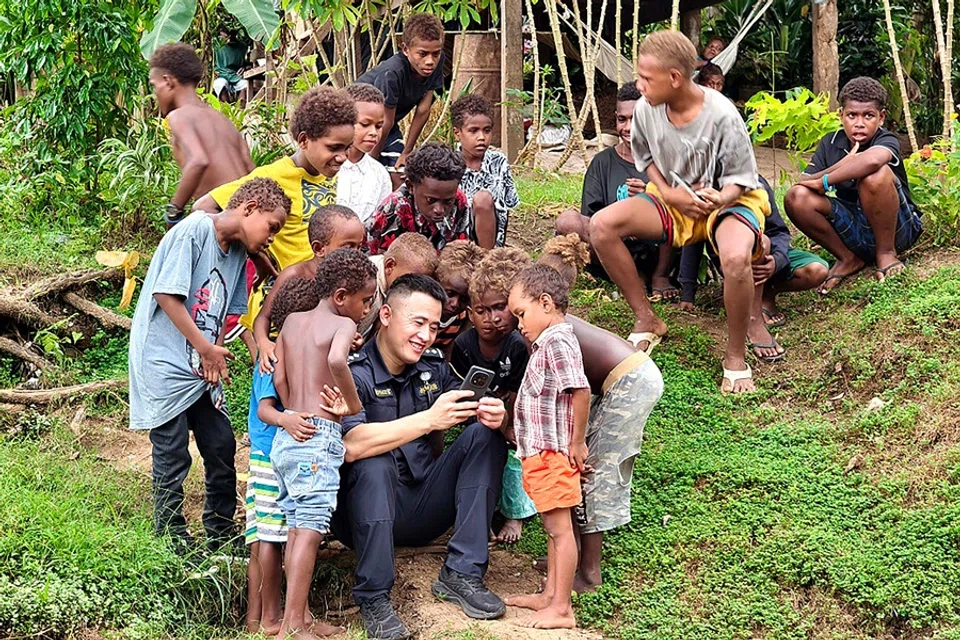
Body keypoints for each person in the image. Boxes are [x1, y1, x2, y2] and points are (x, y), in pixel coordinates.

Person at [590, 30, 770, 393]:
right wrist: (671, 194)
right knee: (601, 225)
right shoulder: (644, 110)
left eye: (646, 78)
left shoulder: (722, 114)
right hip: (674, 200)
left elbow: (743, 179)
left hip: (730, 201)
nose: (638, 85)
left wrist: (718, 200)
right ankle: (647, 318)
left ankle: (735, 356)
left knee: (736, 259)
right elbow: (646, 160)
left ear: (674, 78)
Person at [331, 275, 508, 640]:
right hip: (358, 517)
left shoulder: (434, 368)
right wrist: (429, 419)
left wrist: (494, 415)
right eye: (417, 323)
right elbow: (351, 445)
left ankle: (462, 572)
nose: (426, 335)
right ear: (385, 315)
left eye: (433, 326)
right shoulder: (354, 372)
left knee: (484, 435)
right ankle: (374, 597)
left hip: (422, 507)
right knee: (373, 459)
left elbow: (465, 406)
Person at [128, 178, 290, 553]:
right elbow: (166, 295)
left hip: (202, 367)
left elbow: (227, 313)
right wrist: (206, 349)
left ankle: (219, 528)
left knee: (220, 444)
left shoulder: (236, 253)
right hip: (165, 362)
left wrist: (261, 263)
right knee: (171, 451)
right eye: (272, 228)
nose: (272, 238)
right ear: (249, 208)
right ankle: (170, 533)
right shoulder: (195, 229)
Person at [537, 239, 664, 595]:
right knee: (578, 468)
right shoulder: (552, 324)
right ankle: (569, 558)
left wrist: (576, 440)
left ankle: (589, 573)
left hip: (631, 383)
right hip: (615, 383)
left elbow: (575, 389)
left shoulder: (555, 331)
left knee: (596, 472)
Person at [270, 248, 377, 640]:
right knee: (310, 531)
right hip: (318, 437)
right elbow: (336, 360)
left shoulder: (293, 321)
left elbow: (280, 379)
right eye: (365, 300)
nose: (367, 309)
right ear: (340, 297)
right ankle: (293, 626)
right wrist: (352, 403)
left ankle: (298, 618)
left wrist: (294, 405)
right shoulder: (341, 326)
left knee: (297, 529)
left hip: (288, 434)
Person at [194, 86, 357, 335]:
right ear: (303, 140)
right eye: (333, 148)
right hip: (282, 306)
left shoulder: (330, 176)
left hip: (320, 303)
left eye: (347, 148)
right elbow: (204, 207)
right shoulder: (273, 177)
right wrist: (255, 254)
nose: (343, 157)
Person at [505, 263, 590, 630]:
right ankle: (550, 595)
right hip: (541, 454)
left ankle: (562, 607)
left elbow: (581, 389)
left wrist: (577, 442)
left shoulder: (557, 340)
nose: (519, 324)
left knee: (560, 532)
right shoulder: (546, 343)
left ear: (545, 302)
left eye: (521, 314)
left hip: (553, 453)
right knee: (553, 530)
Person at [784, 77, 922, 292]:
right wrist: (841, 165)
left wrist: (827, 181)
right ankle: (848, 257)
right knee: (797, 197)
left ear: (881, 118)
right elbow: (802, 182)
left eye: (868, 115)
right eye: (852, 115)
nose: (859, 123)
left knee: (875, 175)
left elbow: (873, 161)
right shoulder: (831, 142)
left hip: (897, 228)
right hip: (855, 229)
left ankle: (886, 254)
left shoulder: (886, 139)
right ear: (841, 116)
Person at [679, 176, 829, 362]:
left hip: (769, 257)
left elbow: (778, 231)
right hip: (736, 262)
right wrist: (687, 291)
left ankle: (763, 295)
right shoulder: (704, 188)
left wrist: (776, 261)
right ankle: (752, 319)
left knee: (817, 270)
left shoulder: (758, 183)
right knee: (760, 242)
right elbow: (693, 241)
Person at [244, 276, 320, 635]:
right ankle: (271, 617)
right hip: (269, 454)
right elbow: (265, 410)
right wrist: (287, 420)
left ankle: (271, 618)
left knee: (279, 534)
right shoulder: (272, 355)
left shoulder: (300, 351)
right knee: (272, 536)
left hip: (284, 451)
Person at [555, 83, 678, 300]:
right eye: (623, 119)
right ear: (616, 119)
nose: (628, 128)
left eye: (637, 120)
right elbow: (591, 219)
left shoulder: (667, 160)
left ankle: (659, 276)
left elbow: (682, 213)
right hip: (612, 244)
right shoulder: (603, 163)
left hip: (654, 247)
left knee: (673, 211)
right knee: (568, 222)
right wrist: (620, 224)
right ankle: (632, 276)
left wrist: (649, 198)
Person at [451, 247, 535, 544]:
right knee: (476, 452)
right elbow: (460, 390)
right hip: (475, 418)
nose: (491, 319)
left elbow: (516, 393)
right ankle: (479, 517)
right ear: (470, 313)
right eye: (481, 311)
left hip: (510, 418)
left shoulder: (516, 344)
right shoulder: (463, 345)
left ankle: (515, 514)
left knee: (512, 457)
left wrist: (508, 426)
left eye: (499, 308)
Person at [148, 43, 253, 226]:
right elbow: (250, 168)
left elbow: (198, 160)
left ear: (168, 81)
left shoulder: (179, 116)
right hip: (249, 215)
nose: (155, 94)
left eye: (154, 86)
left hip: (220, 216)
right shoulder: (221, 119)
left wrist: (174, 211)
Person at [252, 205, 365, 373]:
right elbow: (263, 317)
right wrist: (264, 343)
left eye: (360, 247)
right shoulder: (295, 275)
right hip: (286, 357)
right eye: (348, 247)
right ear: (319, 248)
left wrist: (349, 337)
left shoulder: (349, 280)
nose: (356, 254)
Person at [356, 13, 445, 171]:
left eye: (435, 54)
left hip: (386, 128)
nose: (430, 61)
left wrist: (407, 152)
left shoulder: (436, 64)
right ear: (405, 49)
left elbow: (423, 109)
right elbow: (385, 122)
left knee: (400, 171)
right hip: (357, 124)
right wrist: (371, 161)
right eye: (422, 54)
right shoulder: (392, 73)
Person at [365, 142, 472, 255]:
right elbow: (385, 262)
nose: (439, 209)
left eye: (448, 201)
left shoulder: (459, 201)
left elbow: (461, 254)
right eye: (431, 200)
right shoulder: (395, 208)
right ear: (411, 187)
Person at [451, 94, 519, 249]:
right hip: (457, 242)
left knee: (483, 200)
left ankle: (488, 262)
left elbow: (506, 210)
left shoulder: (498, 162)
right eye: (473, 131)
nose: (481, 137)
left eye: (486, 130)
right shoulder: (448, 163)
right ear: (457, 133)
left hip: (491, 242)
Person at [358, 232, 440, 339]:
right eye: (409, 280)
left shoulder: (397, 289)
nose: (414, 288)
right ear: (390, 266)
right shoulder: (364, 281)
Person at [338, 83, 393, 225]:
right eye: (364, 124)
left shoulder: (380, 175)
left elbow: (380, 223)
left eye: (379, 126)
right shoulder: (327, 168)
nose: (373, 133)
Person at [433, 240, 486, 353]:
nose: (455, 304)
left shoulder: (464, 319)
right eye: (449, 294)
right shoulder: (420, 307)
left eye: (464, 299)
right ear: (437, 281)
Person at [213, 30, 249, 105]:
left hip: (236, 75)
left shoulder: (242, 47)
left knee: (245, 85)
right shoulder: (216, 45)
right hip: (221, 75)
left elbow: (246, 62)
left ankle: (240, 111)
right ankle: (227, 108)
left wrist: (244, 67)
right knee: (219, 84)